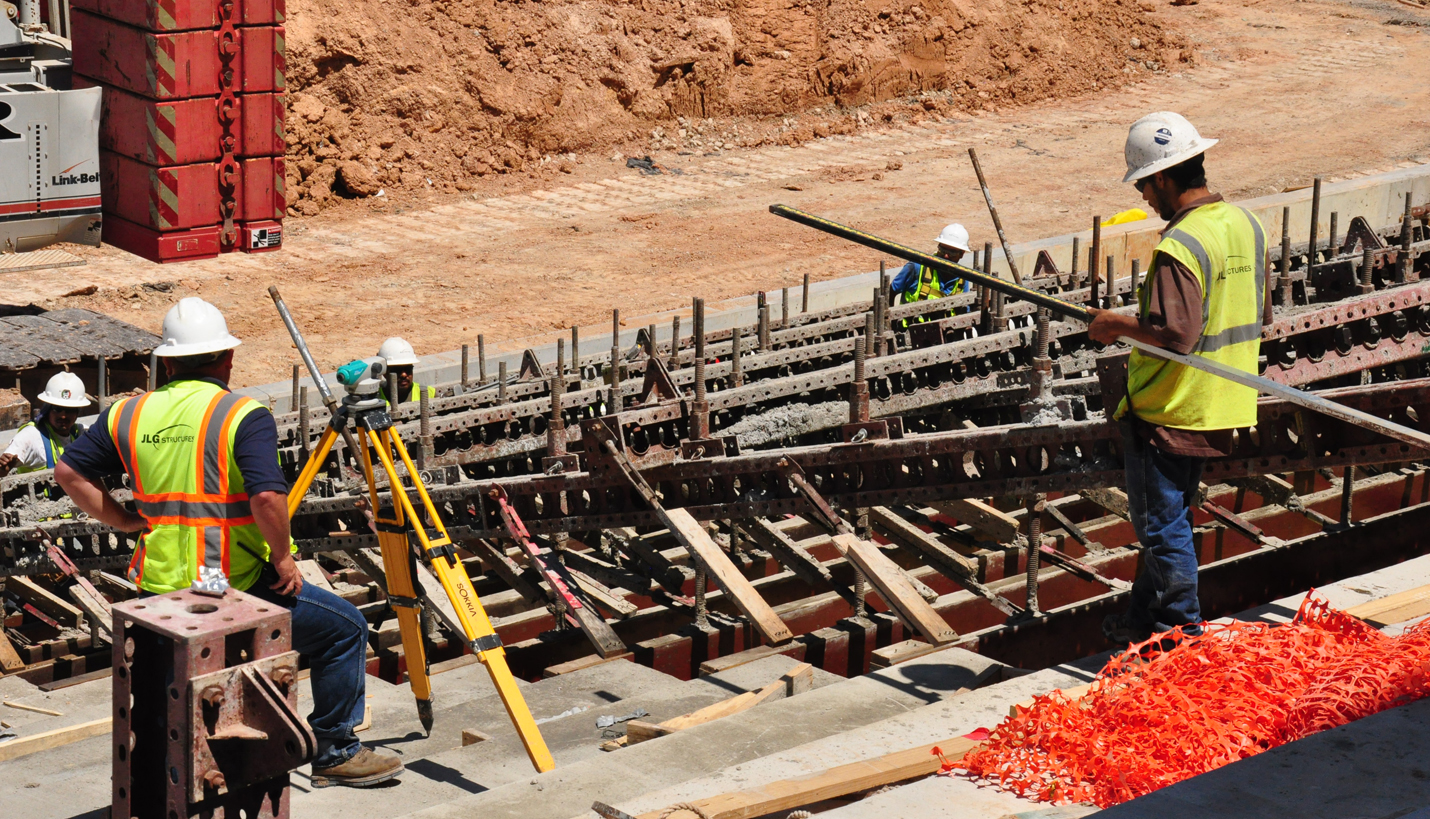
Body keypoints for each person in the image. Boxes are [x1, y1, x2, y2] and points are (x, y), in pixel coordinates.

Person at [54, 297, 404, 789]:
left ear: (168, 362)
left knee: (163, 687)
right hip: (226, 585)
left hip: (156, 588)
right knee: (345, 628)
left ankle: (165, 771)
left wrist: (125, 521)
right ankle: (334, 750)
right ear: (227, 359)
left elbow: (68, 471)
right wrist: (283, 558)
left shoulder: (127, 414)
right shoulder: (242, 413)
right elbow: (265, 495)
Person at [1087, 112, 1272, 646]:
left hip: (1170, 409)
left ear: (1164, 178)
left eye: (1144, 184)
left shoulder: (1180, 245)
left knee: (1162, 528)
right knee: (1170, 523)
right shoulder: (1245, 225)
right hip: (1223, 404)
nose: (1144, 195)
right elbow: (1253, 309)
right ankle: (1143, 619)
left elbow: (1176, 335)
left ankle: (1179, 635)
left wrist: (1116, 324)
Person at [0, 372, 89, 477]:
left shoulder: (80, 433)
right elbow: (4, 468)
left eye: (69, 410)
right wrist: (4, 469)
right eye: (57, 409)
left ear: (77, 412)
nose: (63, 416)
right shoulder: (31, 436)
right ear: (48, 409)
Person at [889, 223, 974, 306]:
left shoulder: (962, 278)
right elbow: (890, 292)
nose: (946, 256)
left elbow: (965, 308)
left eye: (952, 252)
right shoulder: (917, 267)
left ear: (961, 254)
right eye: (942, 250)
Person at [377, 337, 436, 407]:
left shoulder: (429, 394)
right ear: (384, 372)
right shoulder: (375, 399)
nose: (404, 375)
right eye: (397, 370)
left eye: (408, 369)